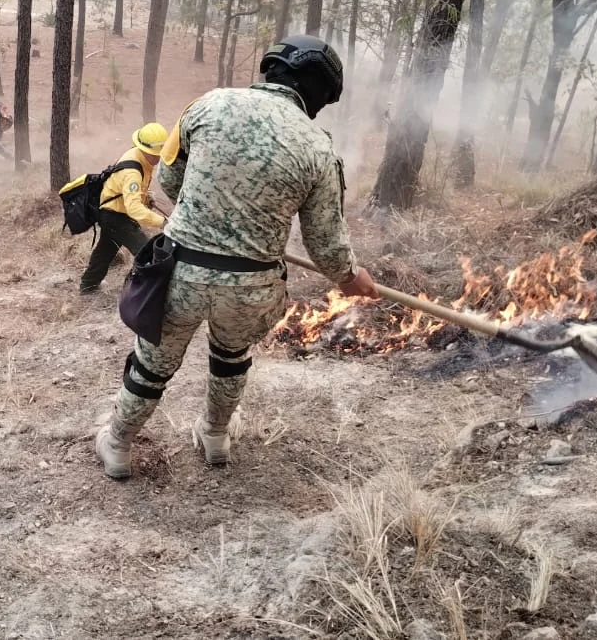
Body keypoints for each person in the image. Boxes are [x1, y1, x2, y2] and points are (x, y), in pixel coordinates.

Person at [95, 36, 380, 480]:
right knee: (231, 358)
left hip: (179, 274)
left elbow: (170, 178)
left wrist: (211, 212)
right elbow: (324, 240)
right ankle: (215, 436)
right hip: (252, 287)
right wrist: (350, 276)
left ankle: (117, 444)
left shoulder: (207, 105)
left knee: (151, 365)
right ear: (319, 91)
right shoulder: (319, 147)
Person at [78, 122, 168, 295]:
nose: (158, 158)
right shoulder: (132, 172)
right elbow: (134, 208)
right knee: (146, 252)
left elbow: (129, 191)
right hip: (116, 216)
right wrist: (162, 222)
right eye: (155, 154)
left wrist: (145, 197)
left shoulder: (138, 156)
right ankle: (145, 292)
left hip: (113, 212)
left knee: (105, 251)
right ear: (145, 149)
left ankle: (88, 286)